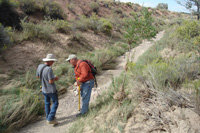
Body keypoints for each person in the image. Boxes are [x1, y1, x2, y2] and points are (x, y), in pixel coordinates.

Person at [36, 54, 59, 125]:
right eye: (52, 61)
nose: (53, 63)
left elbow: (37, 76)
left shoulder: (40, 66)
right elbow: (51, 81)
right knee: (55, 103)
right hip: (51, 90)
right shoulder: (49, 69)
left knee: (47, 103)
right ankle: (50, 118)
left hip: (44, 89)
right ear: (49, 61)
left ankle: (48, 117)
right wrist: (55, 78)